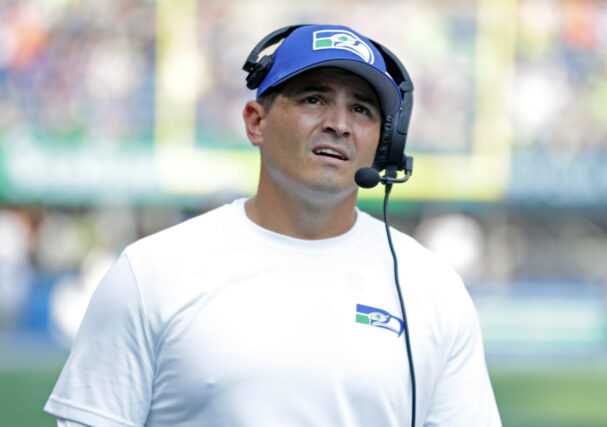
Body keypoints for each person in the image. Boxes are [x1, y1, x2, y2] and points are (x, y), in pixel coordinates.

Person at [45, 24, 501, 426]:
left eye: (362, 109)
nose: (339, 124)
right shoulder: (151, 272)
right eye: (314, 99)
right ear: (256, 122)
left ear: (385, 144)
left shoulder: (433, 287)